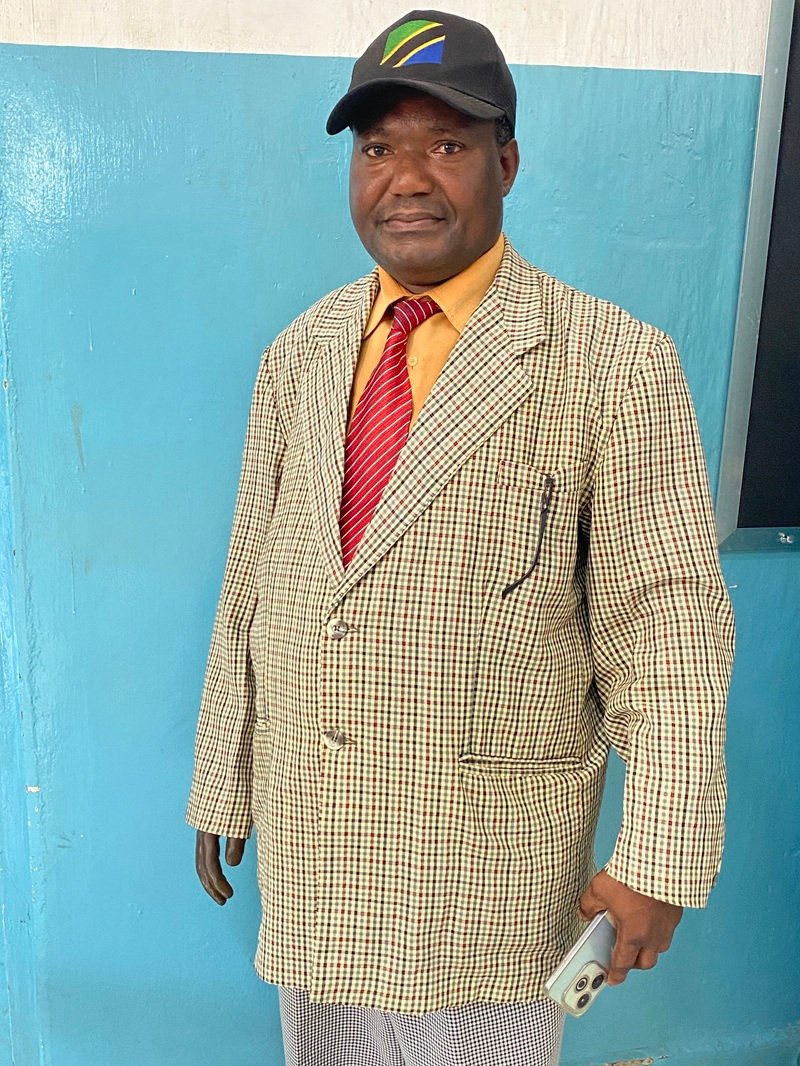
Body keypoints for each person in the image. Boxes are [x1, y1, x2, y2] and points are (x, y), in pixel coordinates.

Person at [187, 10, 734, 1064]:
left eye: (445, 144)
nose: (406, 179)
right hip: (314, 846)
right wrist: (223, 775)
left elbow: (666, 623)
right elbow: (251, 579)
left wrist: (659, 854)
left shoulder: (610, 361)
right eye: (377, 149)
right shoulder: (299, 354)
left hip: (484, 873)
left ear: (505, 163)